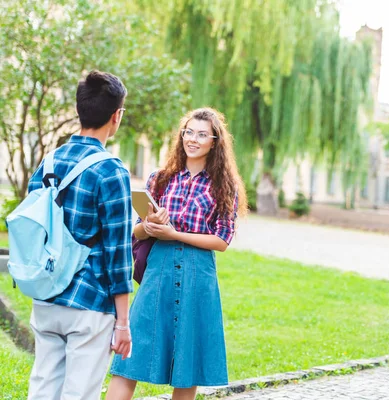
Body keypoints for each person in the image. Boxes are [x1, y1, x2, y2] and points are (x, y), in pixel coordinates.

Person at [107, 108, 248, 400]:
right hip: (158, 272)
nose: (193, 140)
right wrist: (150, 225)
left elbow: (222, 239)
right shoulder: (160, 179)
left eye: (201, 134)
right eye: (188, 132)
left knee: (188, 365)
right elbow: (136, 231)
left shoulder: (225, 186)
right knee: (129, 359)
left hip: (198, 275)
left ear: (214, 141)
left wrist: (173, 234)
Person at [27, 71, 133, 399]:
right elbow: (118, 253)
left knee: (42, 391)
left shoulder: (48, 162)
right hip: (89, 304)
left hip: (46, 297)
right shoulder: (111, 171)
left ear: (79, 111)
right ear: (116, 117)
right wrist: (123, 322)